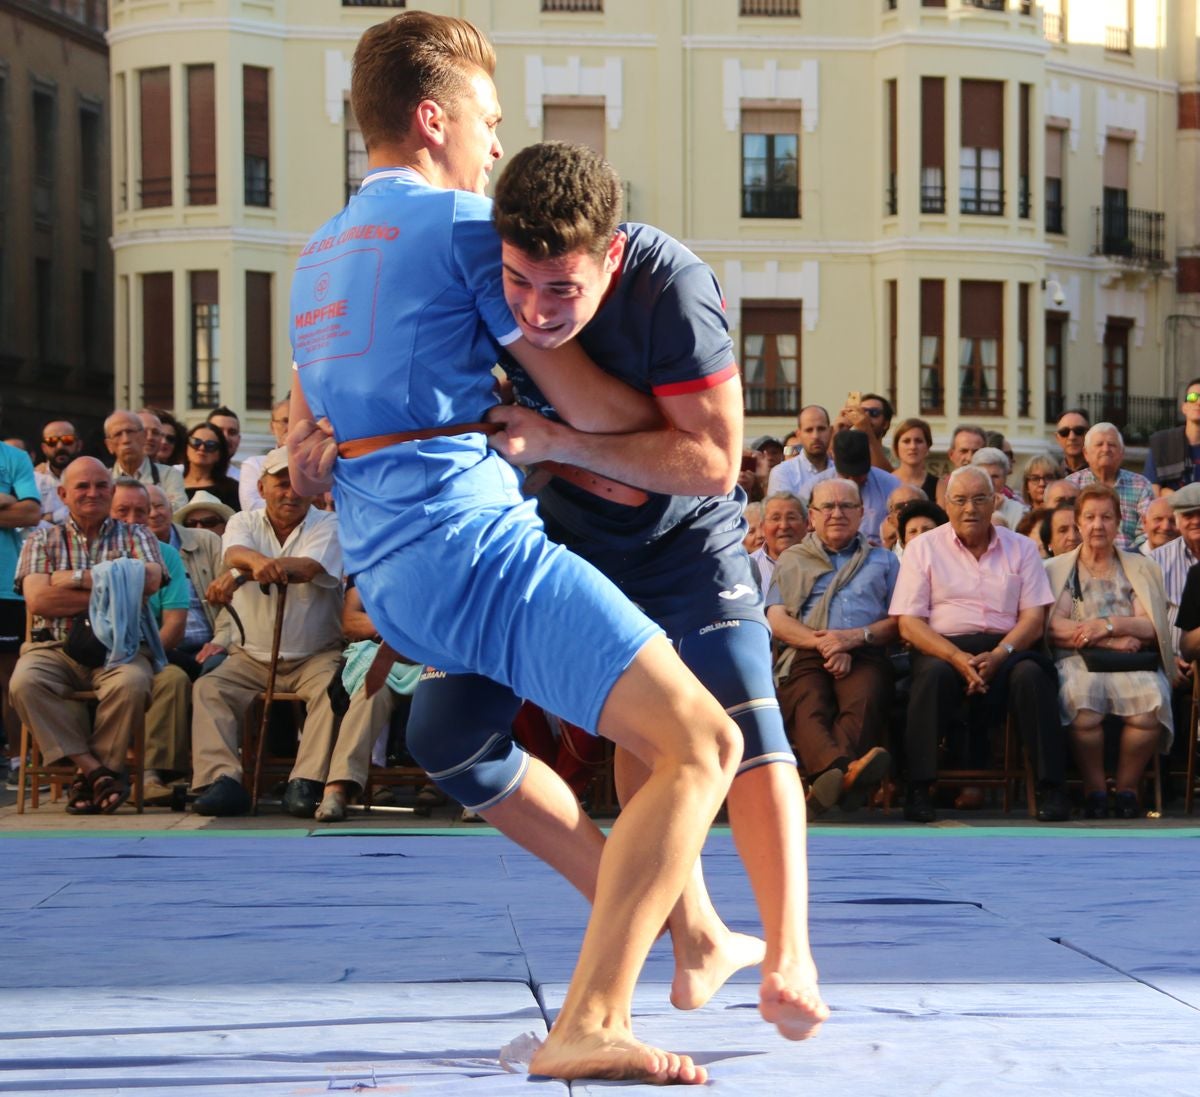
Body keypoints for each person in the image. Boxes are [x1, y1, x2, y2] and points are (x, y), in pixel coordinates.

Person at [286, 14, 743, 1083]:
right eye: (488, 120)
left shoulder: (315, 255)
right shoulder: (461, 228)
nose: (498, 146)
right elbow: (601, 410)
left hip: (388, 571)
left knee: (456, 733)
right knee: (701, 743)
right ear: (433, 118)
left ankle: (690, 930)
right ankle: (591, 1017)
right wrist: (603, 423)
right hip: (469, 552)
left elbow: (301, 447)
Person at [482, 138, 827, 1040]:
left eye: (563, 289)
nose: (537, 310)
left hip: (686, 540)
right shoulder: (486, 268)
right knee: (645, 734)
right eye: (519, 283)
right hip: (576, 538)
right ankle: (699, 934)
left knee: (744, 710)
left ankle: (790, 956)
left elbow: (713, 463)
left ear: (611, 254)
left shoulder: (670, 285)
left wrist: (560, 443)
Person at [890, 465, 1070, 824]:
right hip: (943, 648)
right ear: (946, 505)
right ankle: (919, 788)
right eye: (960, 500)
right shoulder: (923, 548)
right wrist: (957, 657)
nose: (969, 508)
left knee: (1032, 677)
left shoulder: (1021, 548)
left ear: (994, 502)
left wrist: (1001, 654)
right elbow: (909, 623)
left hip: (1007, 648)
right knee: (932, 678)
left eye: (979, 499)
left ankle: (1051, 789)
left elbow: (1033, 619)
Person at [189, 448, 345, 819]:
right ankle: (222, 779)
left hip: (315, 655)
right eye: (280, 483)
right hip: (250, 657)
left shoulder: (330, 523)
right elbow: (235, 552)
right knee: (209, 688)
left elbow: (307, 568)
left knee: (331, 690)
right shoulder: (243, 520)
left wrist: (241, 573)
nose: (290, 493)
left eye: (298, 484)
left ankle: (306, 780)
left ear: (312, 490)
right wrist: (248, 565)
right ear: (261, 488)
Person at [9, 457, 164, 813]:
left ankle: (89, 777)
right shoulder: (41, 538)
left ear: (112, 491)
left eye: (101, 485)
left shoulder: (137, 534)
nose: (92, 493)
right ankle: (97, 772)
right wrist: (118, 586)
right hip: (54, 647)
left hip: (120, 648)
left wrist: (73, 579)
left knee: (132, 684)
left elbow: (151, 581)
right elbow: (40, 600)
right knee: (24, 683)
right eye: (82, 486)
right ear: (63, 494)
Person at [766, 477, 898, 817]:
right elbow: (777, 618)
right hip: (806, 650)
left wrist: (852, 639)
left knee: (865, 695)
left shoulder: (884, 561)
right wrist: (826, 644)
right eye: (828, 506)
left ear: (861, 513)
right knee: (807, 700)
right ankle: (847, 772)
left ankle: (826, 784)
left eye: (846, 506)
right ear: (812, 515)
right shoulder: (792, 559)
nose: (837, 513)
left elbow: (899, 620)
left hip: (865, 649)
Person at [1046, 484, 1175, 818]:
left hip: (1131, 661)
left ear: (1118, 522)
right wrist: (1110, 639)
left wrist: (1108, 625)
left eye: (1106, 517)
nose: (1097, 525)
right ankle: (1096, 791)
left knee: (1151, 702)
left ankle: (1128, 790)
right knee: (1081, 704)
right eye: (1089, 517)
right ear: (1078, 523)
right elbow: (1054, 627)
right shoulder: (1059, 568)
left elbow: (1150, 626)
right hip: (1079, 660)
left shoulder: (1140, 567)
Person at [110, 479, 192, 804]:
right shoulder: (93, 549)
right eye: (122, 511)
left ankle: (151, 776)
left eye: (140, 512)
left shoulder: (167, 554)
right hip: (94, 653)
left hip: (147, 651)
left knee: (173, 679)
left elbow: (175, 625)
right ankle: (93, 771)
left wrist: (142, 657)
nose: (132, 520)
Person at [0, 441, 41, 777]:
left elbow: (29, 513)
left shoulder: (13, 457)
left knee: (10, 678)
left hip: (5, 586)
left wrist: (15, 505)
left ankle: (17, 758)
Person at [802, 429, 901, 546]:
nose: (852, 480)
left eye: (859, 474)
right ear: (833, 455)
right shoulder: (813, 488)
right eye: (846, 475)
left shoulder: (891, 486)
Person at [1065, 423, 1153, 549]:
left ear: (1122, 452)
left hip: (1130, 558)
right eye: (1099, 444)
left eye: (1111, 445)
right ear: (1086, 453)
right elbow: (1067, 527)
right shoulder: (1071, 485)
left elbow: (1147, 531)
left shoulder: (1141, 485)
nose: (1106, 449)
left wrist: (1127, 556)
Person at [103, 409, 187, 511]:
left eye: (130, 432)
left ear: (143, 436)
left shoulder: (169, 476)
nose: (126, 440)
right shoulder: (103, 480)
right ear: (109, 445)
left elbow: (178, 511)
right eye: (118, 434)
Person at [1144, 377, 1200, 494]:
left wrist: (1169, 494)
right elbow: (1152, 495)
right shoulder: (1161, 444)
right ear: (1184, 407)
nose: (1198, 402)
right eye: (1192, 397)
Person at [750, 491, 809, 595]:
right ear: (762, 527)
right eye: (775, 518)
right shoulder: (747, 567)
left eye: (791, 518)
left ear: (806, 524)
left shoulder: (822, 562)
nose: (784, 526)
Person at [240, 398, 291, 511]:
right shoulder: (255, 465)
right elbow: (252, 507)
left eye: (297, 421)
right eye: (286, 421)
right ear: (272, 427)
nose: (291, 427)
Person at [768, 405, 831, 496]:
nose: (816, 436)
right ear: (799, 435)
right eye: (809, 430)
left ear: (830, 431)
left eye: (821, 429)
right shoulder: (783, 472)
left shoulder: (842, 469)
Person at [33, 420, 83, 525]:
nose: (60, 446)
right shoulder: (33, 480)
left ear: (79, 445)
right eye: (51, 441)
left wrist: (52, 517)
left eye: (67, 440)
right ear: (44, 448)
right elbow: (26, 520)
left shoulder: (94, 477)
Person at [182, 422, 240, 511]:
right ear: (187, 447)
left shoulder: (232, 489)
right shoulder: (171, 483)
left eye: (210, 445)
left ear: (220, 453)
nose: (201, 448)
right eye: (196, 442)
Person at [971, 447, 1028, 529]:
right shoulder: (965, 506)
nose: (990, 481)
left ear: (1005, 479)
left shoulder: (1019, 511)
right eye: (984, 475)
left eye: (995, 476)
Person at [933, 424, 986, 507]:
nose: (969, 458)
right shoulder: (939, 489)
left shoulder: (995, 488)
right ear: (951, 454)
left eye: (976, 452)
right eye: (964, 451)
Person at [891, 417, 939, 499]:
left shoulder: (939, 486)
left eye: (919, 441)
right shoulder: (883, 483)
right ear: (896, 447)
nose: (913, 447)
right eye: (906, 441)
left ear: (927, 446)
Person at [879, 483, 926, 552]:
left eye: (913, 504)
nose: (906, 510)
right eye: (899, 507)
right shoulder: (889, 553)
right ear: (891, 520)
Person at [205, 407, 244, 481]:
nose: (225, 437)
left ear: (238, 440)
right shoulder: (182, 475)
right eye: (218, 431)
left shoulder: (244, 481)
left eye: (232, 432)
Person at [1054, 408, 1090, 475]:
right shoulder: (1050, 474)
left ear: (1089, 434)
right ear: (1057, 438)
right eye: (1064, 432)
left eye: (1079, 430)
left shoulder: (1102, 472)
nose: (1072, 437)